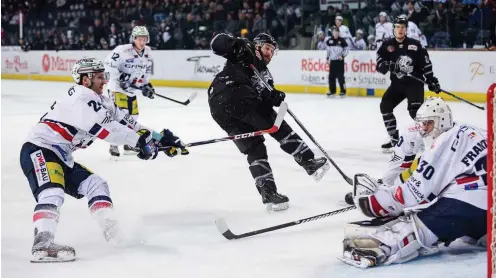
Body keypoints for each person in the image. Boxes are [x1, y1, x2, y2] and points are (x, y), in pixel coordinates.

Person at [20, 58, 188, 263]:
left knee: (96, 185)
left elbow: (131, 125)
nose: (104, 81)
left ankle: (111, 230)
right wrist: (141, 143)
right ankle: (42, 244)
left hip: (61, 155)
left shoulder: (103, 101)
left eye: (103, 76)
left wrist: (161, 139)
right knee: (52, 192)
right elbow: (108, 132)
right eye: (98, 77)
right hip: (39, 149)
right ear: (84, 80)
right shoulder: (80, 99)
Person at [339, 97, 487, 268]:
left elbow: (413, 193)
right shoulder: (473, 130)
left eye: (429, 124)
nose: (424, 129)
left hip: (468, 202)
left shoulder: (444, 142)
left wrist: (375, 201)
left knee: (416, 227)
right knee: (448, 211)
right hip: (489, 208)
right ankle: (481, 233)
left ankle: (380, 247)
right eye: (422, 124)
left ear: (442, 121)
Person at [208, 33, 329, 211]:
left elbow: (264, 96)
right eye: (267, 48)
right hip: (231, 91)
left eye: (273, 51)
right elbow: (216, 44)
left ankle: (268, 192)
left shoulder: (265, 75)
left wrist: (273, 96)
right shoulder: (246, 49)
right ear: (257, 45)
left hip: (220, 108)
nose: (270, 54)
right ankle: (307, 160)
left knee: (254, 147)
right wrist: (236, 44)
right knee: (274, 122)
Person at [376, 15, 441, 153]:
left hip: (414, 84)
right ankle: (395, 139)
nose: (400, 30)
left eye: (403, 27)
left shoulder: (415, 45)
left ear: (406, 29)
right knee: (385, 105)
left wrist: (431, 80)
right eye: (398, 27)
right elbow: (379, 65)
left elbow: (426, 64)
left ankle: (429, 139)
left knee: (415, 113)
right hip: (397, 85)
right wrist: (387, 65)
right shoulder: (387, 45)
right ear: (394, 29)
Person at [104, 25, 155, 158]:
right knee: (121, 116)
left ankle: (128, 142)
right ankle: (114, 144)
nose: (142, 42)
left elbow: (146, 72)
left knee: (133, 117)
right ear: (134, 39)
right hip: (117, 88)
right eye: (139, 39)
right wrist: (120, 77)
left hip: (132, 90)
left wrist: (147, 86)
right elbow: (108, 65)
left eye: (144, 39)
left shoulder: (148, 52)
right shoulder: (122, 50)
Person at [326, 26, 349, 98]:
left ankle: (343, 91)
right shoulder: (329, 41)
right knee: (331, 77)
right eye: (334, 32)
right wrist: (327, 58)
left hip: (339, 62)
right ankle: (332, 91)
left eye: (336, 32)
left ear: (339, 33)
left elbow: (347, 50)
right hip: (332, 61)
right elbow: (328, 50)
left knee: (340, 77)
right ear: (332, 33)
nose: (335, 33)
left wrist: (342, 56)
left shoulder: (342, 41)